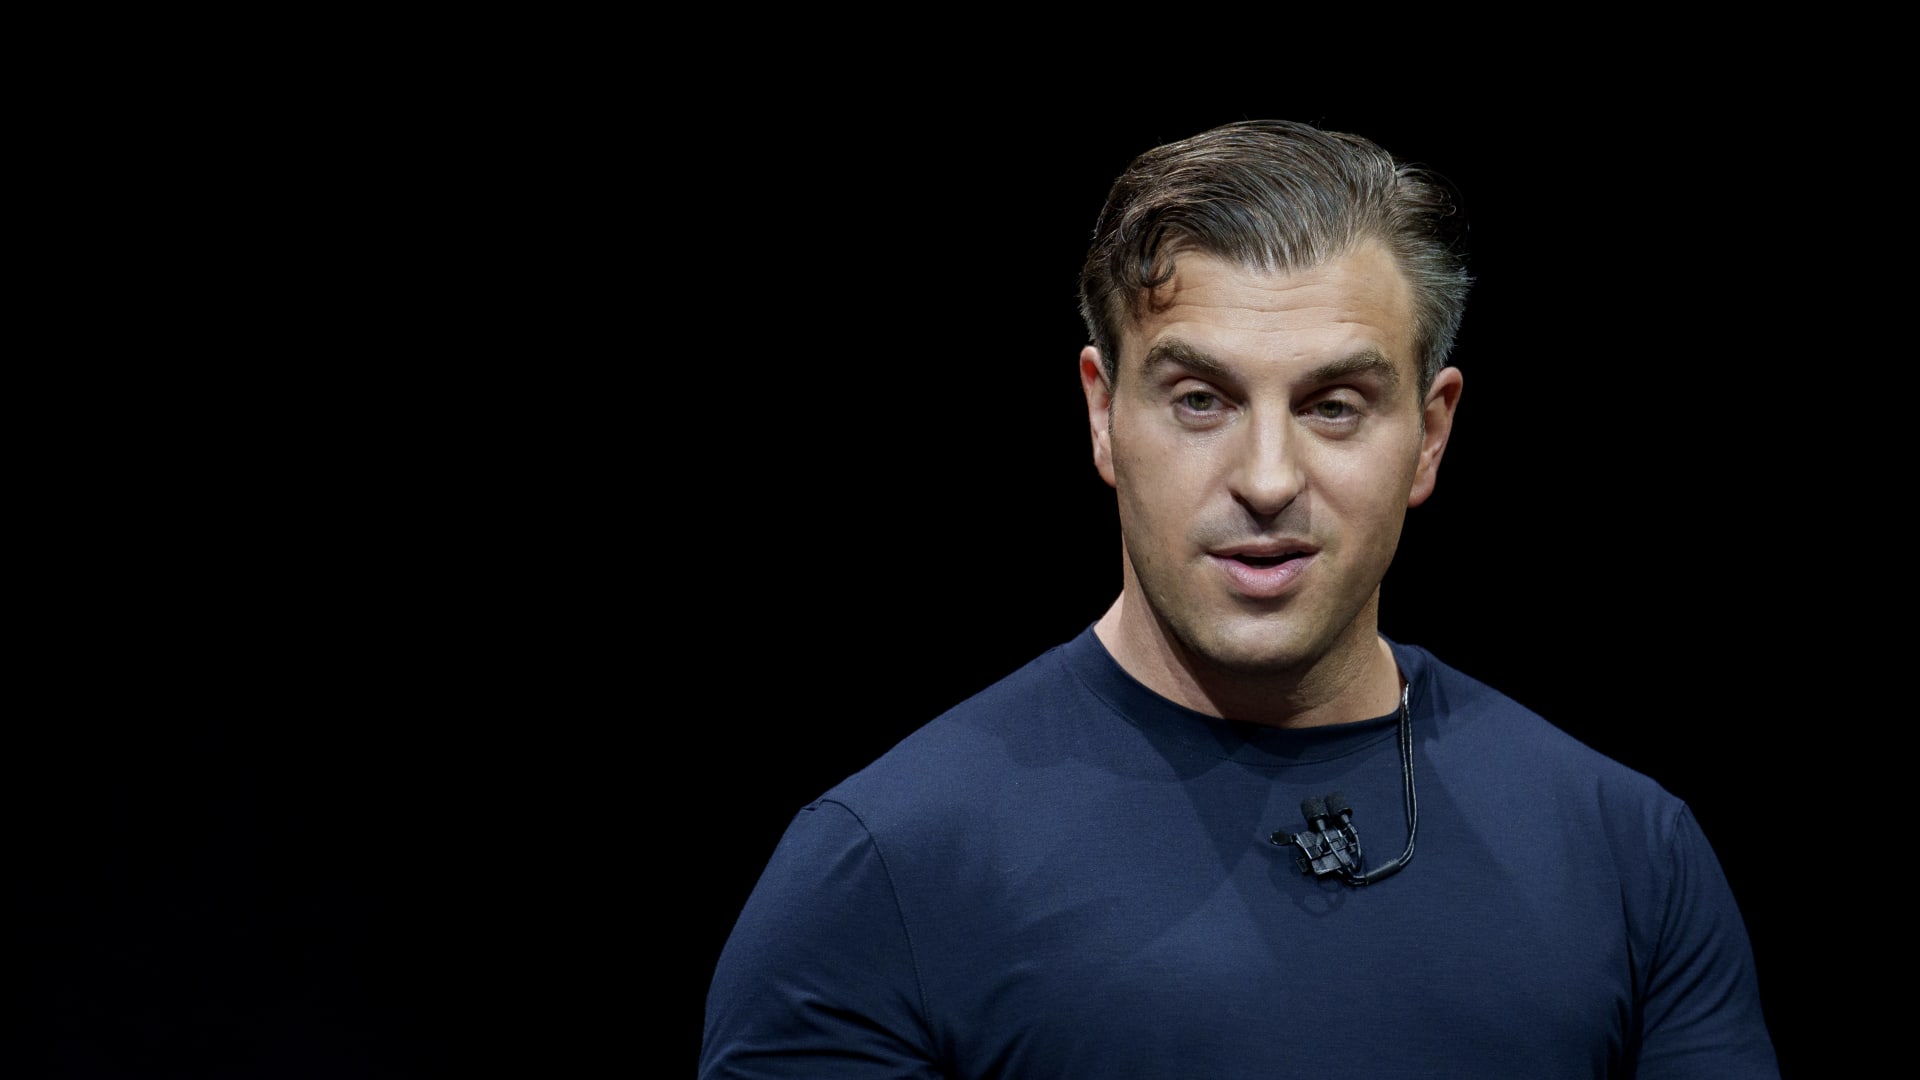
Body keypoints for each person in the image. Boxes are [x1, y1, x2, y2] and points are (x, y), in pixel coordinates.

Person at [699, 118, 1778, 1078]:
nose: (1267, 479)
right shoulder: (881, 872)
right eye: (1201, 399)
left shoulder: (1632, 853)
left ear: (1430, 433)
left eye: (1335, 404)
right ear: (1104, 415)